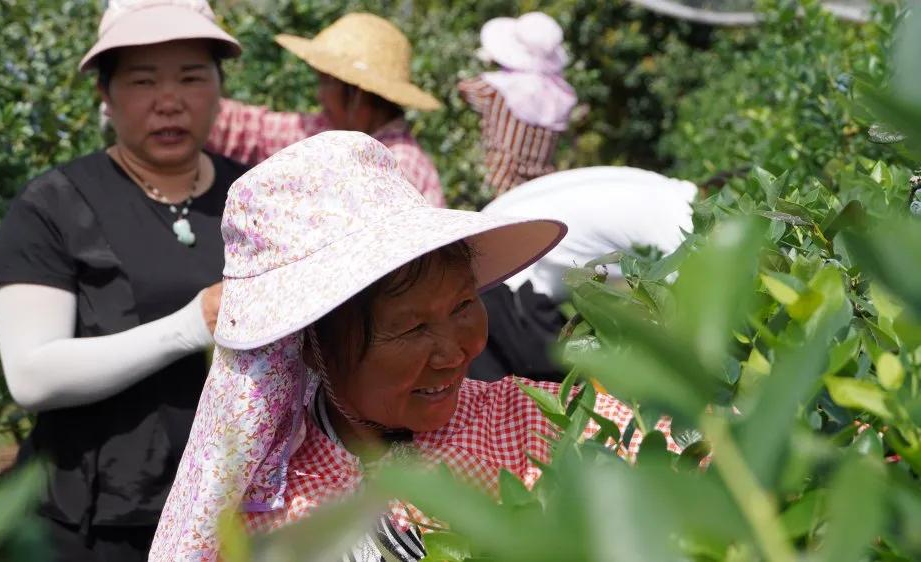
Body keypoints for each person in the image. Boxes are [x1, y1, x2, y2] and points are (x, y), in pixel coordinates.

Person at [150, 131, 678, 561]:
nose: (454, 351)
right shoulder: (269, 513)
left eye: (463, 306)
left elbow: (698, 469)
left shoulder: (525, 426)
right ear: (310, 347)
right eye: (410, 329)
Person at [0, 1, 247, 559]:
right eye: (143, 80)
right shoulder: (54, 206)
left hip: (233, 513)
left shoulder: (254, 197)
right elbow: (31, 375)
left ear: (220, 89)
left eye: (192, 78)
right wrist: (185, 328)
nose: (169, 101)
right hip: (93, 526)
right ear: (105, 94)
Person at [470, 166, 699, 382]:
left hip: (496, 247)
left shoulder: (667, 192)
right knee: (545, 396)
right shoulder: (681, 223)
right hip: (507, 275)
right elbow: (693, 315)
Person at [206, 12, 447, 207]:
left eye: (326, 82)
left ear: (356, 93)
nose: (320, 94)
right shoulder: (331, 133)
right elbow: (255, 132)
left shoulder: (399, 167)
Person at [457, 12, 577, 195]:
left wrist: (492, 64)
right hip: (538, 190)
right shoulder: (559, 94)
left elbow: (463, 89)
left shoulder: (498, 87)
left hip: (498, 186)